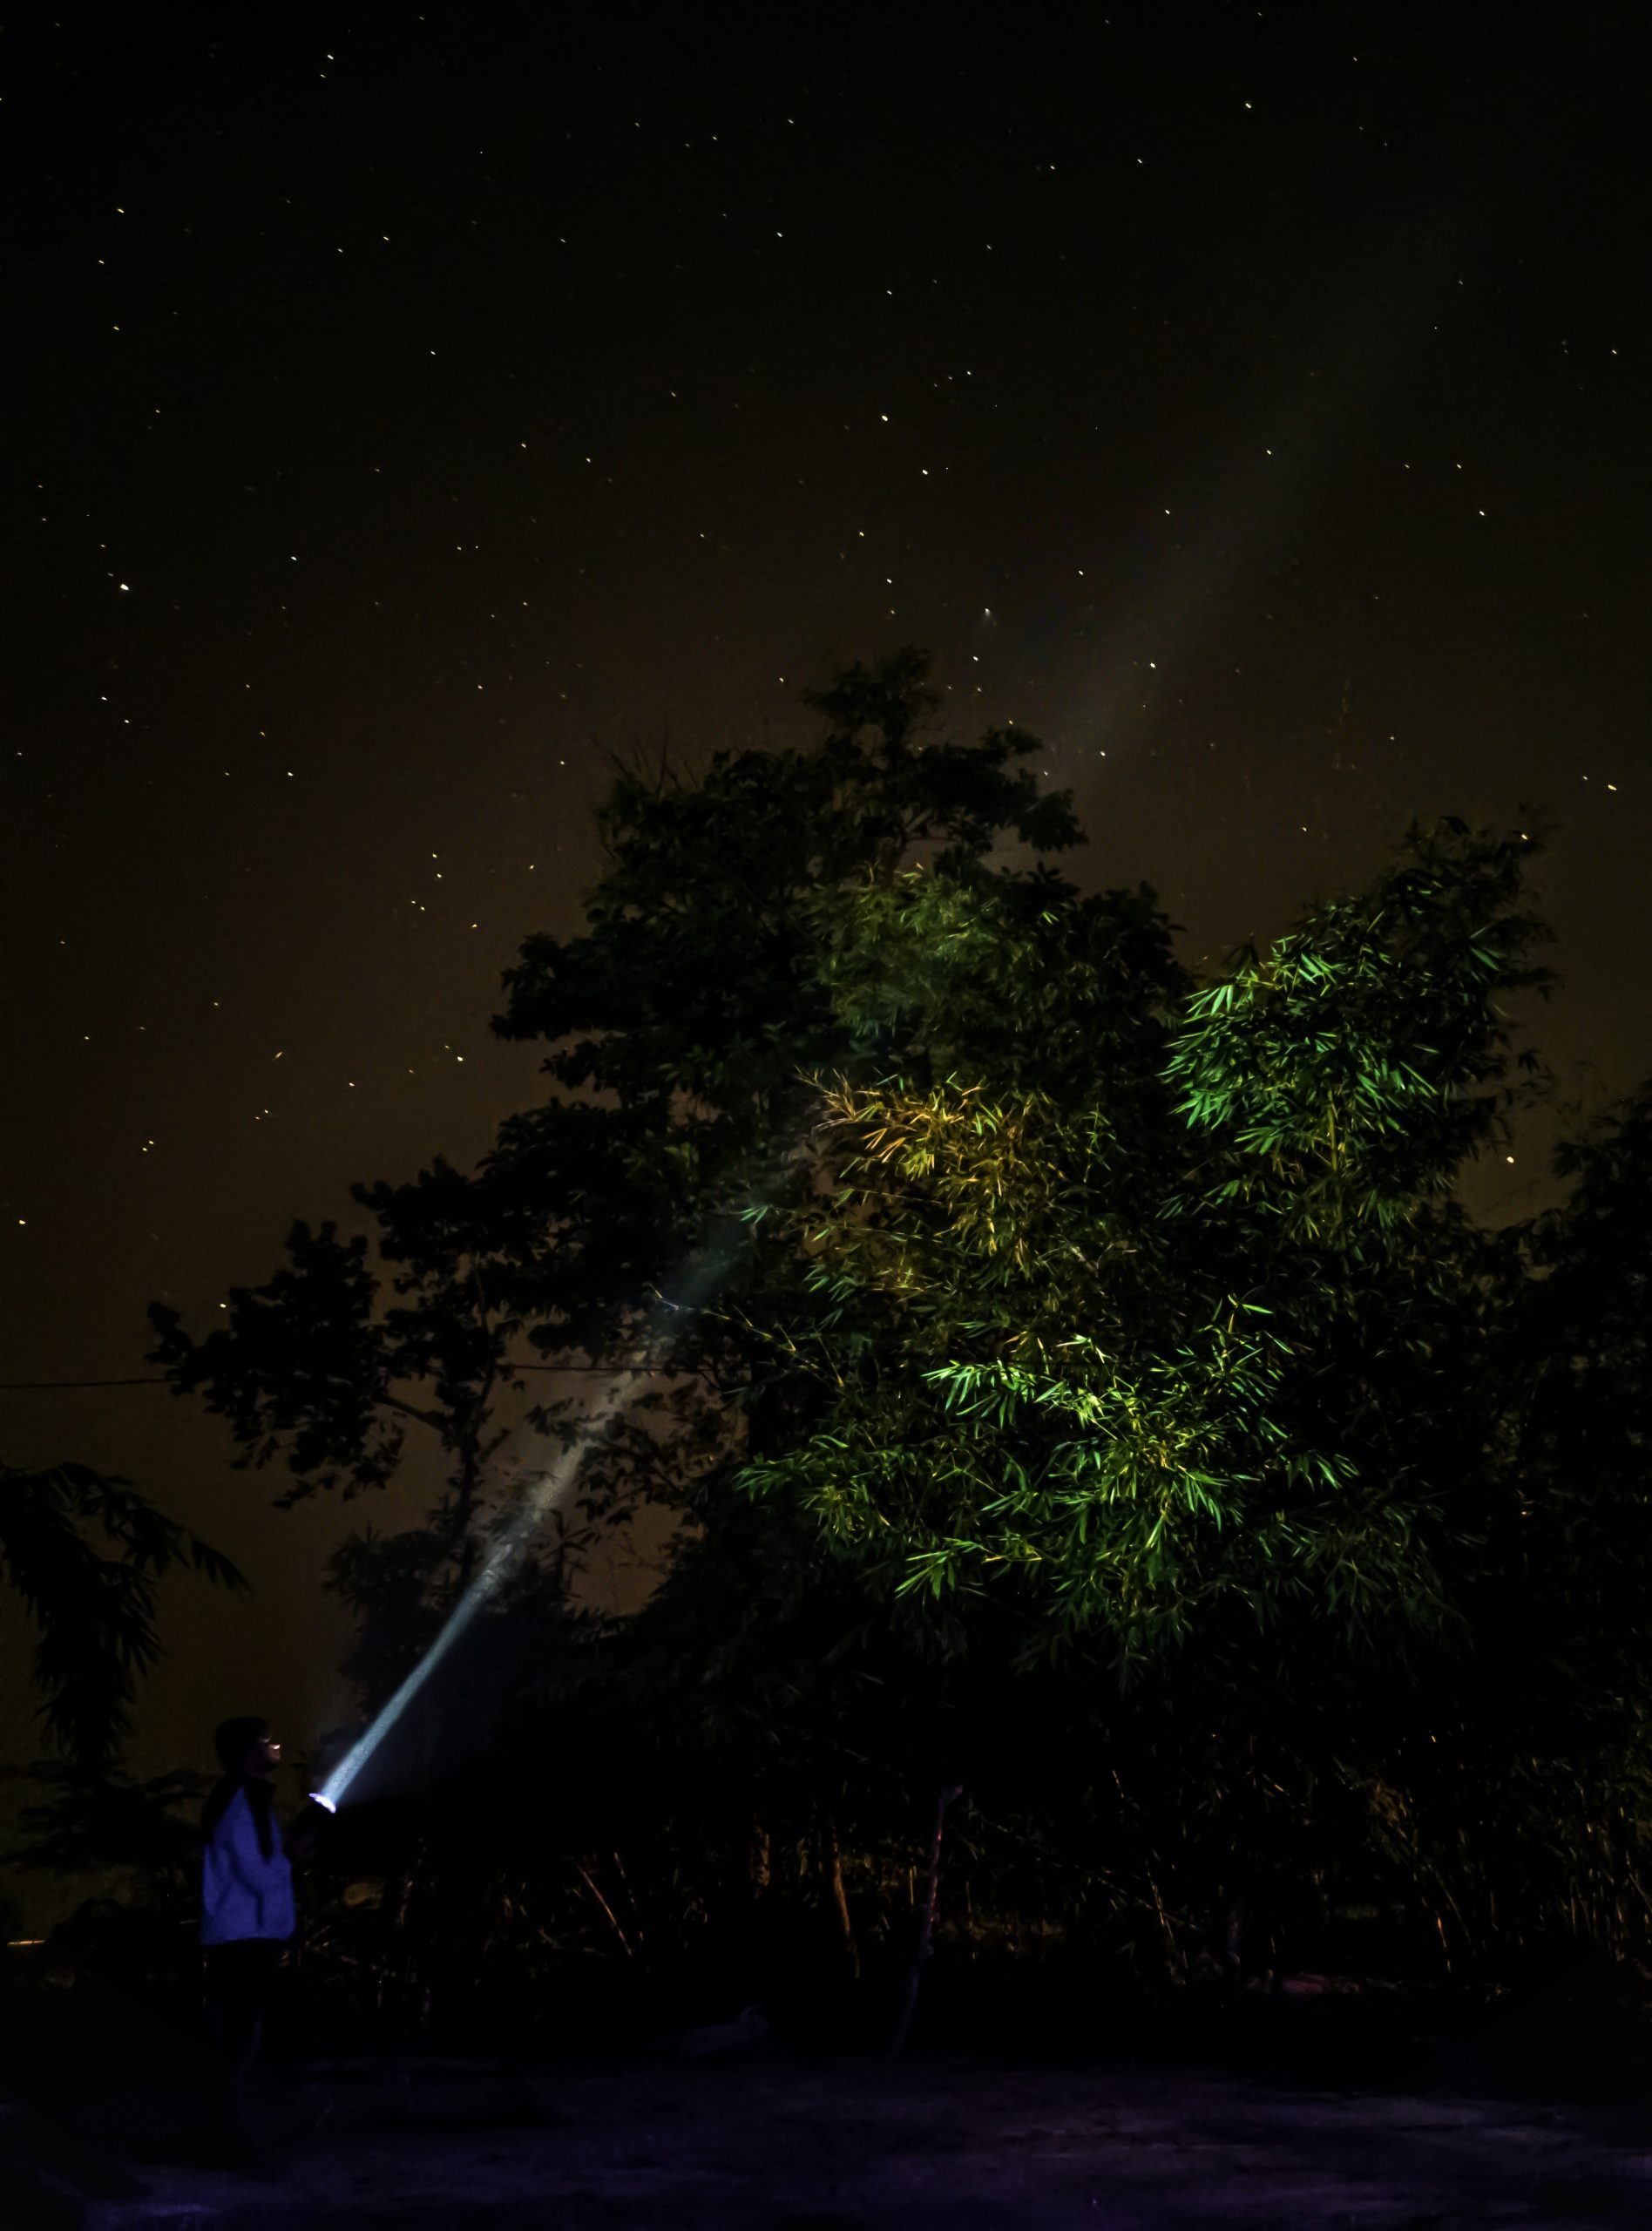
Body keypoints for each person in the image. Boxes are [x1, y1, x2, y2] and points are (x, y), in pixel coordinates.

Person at [200, 1715, 310, 2151]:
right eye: (269, 1741)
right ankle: (234, 2136)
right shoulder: (240, 1802)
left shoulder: (244, 1800)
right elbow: (257, 1874)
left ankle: (241, 2132)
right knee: (242, 2039)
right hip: (240, 1938)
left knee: (247, 2035)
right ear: (249, 1752)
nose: (277, 1747)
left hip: (245, 1936)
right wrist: (293, 1854)